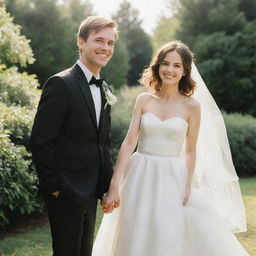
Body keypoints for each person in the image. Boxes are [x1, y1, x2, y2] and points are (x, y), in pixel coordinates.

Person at [93, 41, 249, 256]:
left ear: (185, 71)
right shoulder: (144, 100)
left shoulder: (192, 106)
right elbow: (129, 142)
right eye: (165, 63)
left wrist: (186, 186)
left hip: (172, 176)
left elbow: (190, 150)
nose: (170, 70)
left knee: (167, 231)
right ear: (157, 66)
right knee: (135, 231)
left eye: (177, 65)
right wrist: (115, 184)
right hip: (139, 174)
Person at [30, 16, 118, 256]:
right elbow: (40, 141)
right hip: (66, 191)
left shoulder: (103, 87)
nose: (105, 48)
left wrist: (107, 188)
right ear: (81, 42)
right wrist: (55, 187)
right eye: (99, 40)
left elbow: (103, 144)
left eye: (110, 43)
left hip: (90, 192)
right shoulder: (61, 83)